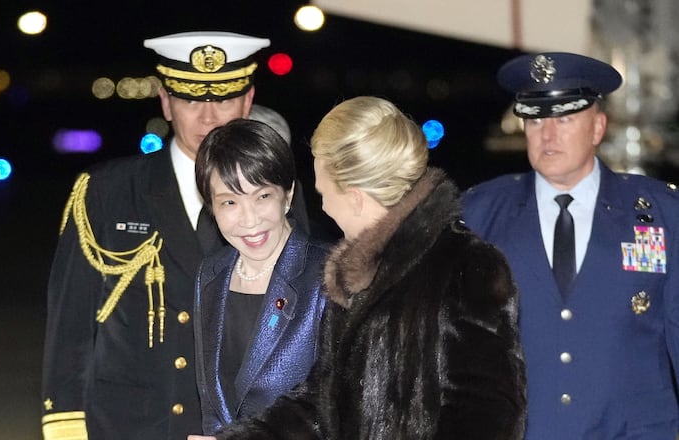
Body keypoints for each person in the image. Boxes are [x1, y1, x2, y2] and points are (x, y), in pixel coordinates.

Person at [204, 96, 527, 439]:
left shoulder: (466, 267)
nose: (323, 206)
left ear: (354, 196)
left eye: (323, 191)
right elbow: (321, 403)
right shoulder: (356, 277)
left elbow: (487, 418)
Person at [41, 31, 307, 440]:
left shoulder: (276, 193)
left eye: (223, 100)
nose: (208, 117)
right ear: (166, 102)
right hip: (129, 426)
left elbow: (298, 323)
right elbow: (71, 325)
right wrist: (66, 427)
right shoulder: (107, 190)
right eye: (190, 100)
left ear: (248, 101)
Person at [462, 52, 679, 438]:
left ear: (597, 128)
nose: (548, 135)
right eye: (536, 120)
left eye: (564, 119)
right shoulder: (479, 214)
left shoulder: (662, 213)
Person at [190, 118, 328, 436]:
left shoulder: (328, 274)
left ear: (288, 194)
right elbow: (212, 406)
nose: (249, 220)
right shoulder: (211, 274)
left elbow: (340, 410)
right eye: (229, 202)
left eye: (262, 196)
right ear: (211, 207)